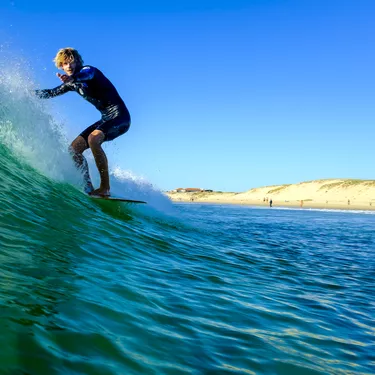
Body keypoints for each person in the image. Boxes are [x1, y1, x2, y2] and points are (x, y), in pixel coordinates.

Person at [34, 47, 131, 197]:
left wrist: (74, 79)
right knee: (74, 150)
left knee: (93, 139)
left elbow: (87, 75)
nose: (68, 66)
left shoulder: (89, 71)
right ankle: (88, 186)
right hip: (106, 118)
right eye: (64, 64)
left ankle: (105, 188)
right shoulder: (71, 83)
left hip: (120, 117)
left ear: (78, 61)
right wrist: (25, 92)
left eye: (71, 62)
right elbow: (51, 92)